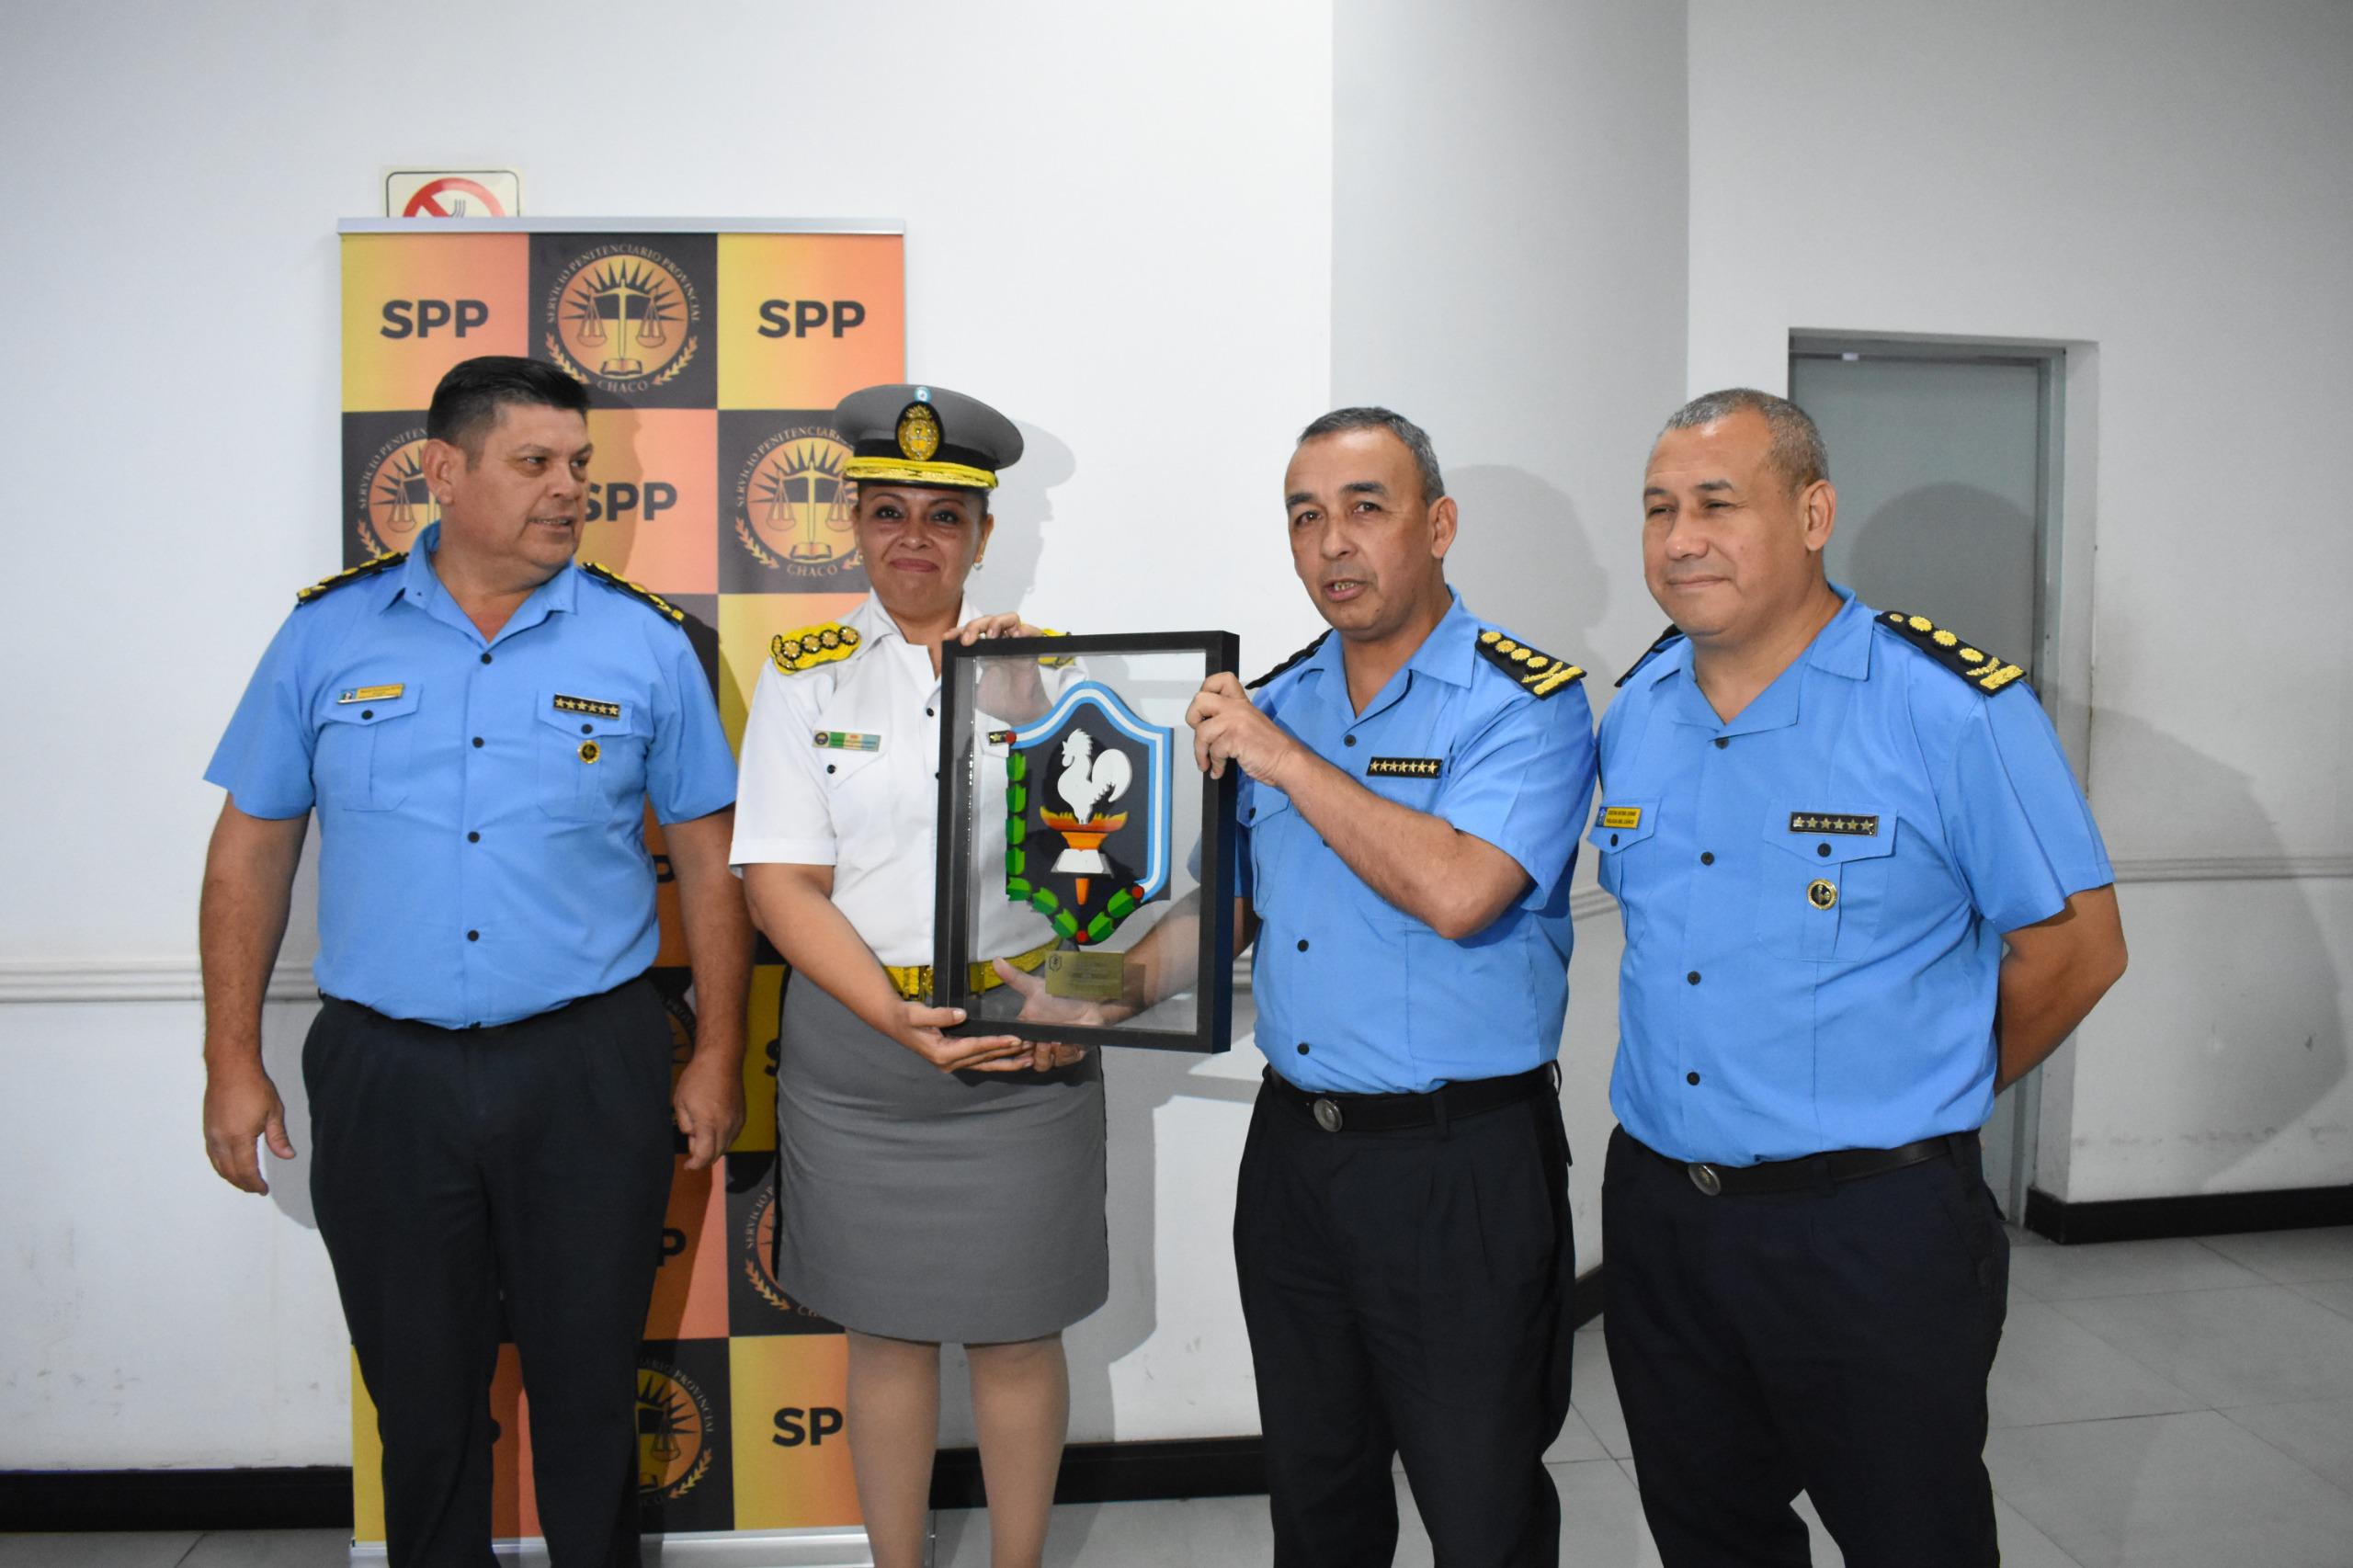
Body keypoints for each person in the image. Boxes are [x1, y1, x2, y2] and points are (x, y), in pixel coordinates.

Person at [199, 355, 751, 1567]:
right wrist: (229, 1058)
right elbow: (249, 853)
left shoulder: (646, 644)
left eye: (581, 466)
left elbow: (712, 865)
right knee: (422, 1400)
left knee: (591, 1391)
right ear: (444, 471)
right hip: (386, 1073)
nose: (569, 490)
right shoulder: (325, 635)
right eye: (535, 462)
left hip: (590, 1066)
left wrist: (718, 1050)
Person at [1596, 388, 2128, 1567]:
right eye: (1657, 508)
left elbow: (2079, 948)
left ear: (1813, 512)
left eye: (1716, 503)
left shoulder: (1948, 707)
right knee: (1707, 1532)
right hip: (1664, 1216)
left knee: (1910, 1536)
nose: (1680, 538)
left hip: (1868, 1231)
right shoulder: (1635, 712)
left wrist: (1920, 1088)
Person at [1180, 407, 1597, 1566]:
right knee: (1316, 1495)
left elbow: (1461, 890)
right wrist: (1061, 994)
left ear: (1439, 525)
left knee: (1481, 1506)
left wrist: (1282, 758)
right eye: (1304, 516)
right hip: (1295, 1160)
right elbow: (1219, 921)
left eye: (1365, 507)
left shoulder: (1525, 701)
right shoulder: (1276, 699)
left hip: (1459, 1164)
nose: (1332, 543)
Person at [730, 383, 1102, 1568]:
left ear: (983, 537)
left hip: (1022, 1040)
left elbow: (1104, 872)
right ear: (851, 523)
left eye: (944, 517)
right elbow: (781, 881)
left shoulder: (1058, 672)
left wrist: (1030, 716)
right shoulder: (805, 673)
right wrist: (890, 1014)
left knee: (1016, 1333)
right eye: (886, 510)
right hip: (857, 1053)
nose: (913, 538)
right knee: (884, 1336)